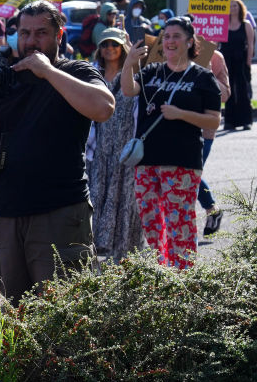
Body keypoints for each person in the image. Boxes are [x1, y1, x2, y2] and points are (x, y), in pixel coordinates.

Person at [0, 1, 115, 303]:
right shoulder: (5, 77)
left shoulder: (74, 70)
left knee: (63, 315)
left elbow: (103, 108)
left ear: (59, 35)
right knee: (16, 314)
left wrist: (47, 71)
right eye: (24, 33)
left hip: (59, 212)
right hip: (8, 211)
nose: (31, 41)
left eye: (41, 33)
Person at [120, 18, 222, 269]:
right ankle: (162, 271)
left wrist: (181, 114)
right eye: (166, 36)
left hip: (182, 161)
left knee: (180, 222)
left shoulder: (203, 78)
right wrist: (129, 63)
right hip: (146, 160)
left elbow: (214, 121)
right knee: (151, 221)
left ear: (190, 42)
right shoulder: (151, 71)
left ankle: (184, 274)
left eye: (176, 36)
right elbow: (128, 90)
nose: (170, 41)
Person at [86, 28, 143, 261]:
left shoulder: (132, 75)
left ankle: (124, 251)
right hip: (100, 149)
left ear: (122, 48)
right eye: (105, 44)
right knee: (98, 198)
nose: (110, 48)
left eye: (115, 44)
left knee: (125, 201)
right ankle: (100, 247)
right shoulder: (93, 74)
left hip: (125, 149)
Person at [197, 49, 231, 237]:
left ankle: (211, 208)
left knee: (190, 172)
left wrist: (208, 72)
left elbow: (225, 95)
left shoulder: (216, 57)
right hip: (174, 128)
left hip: (203, 130)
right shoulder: (173, 49)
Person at [221, 0, 254, 131]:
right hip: (226, 61)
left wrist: (248, 62)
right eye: (230, 6)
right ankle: (230, 122)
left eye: (235, 6)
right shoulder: (222, 24)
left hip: (241, 61)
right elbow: (216, 43)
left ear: (240, 8)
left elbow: (251, 44)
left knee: (242, 90)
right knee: (229, 91)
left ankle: (246, 121)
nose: (233, 8)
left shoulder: (246, 24)